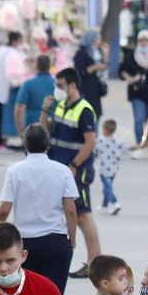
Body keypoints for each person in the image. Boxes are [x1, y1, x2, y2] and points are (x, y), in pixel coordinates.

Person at [0, 124, 79, 295]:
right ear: (48, 144)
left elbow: (4, 209)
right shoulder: (63, 171)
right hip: (56, 240)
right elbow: (70, 210)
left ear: (25, 145)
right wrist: (72, 241)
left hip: (24, 242)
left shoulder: (15, 171)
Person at [41, 67, 103, 276]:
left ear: (72, 85)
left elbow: (90, 142)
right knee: (71, 213)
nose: (57, 89)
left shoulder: (84, 109)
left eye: (60, 85)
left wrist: (74, 165)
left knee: (83, 214)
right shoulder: (60, 106)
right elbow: (47, 131)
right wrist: (44, 111)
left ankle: (94, 263)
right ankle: (93, 262)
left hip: (77, 170)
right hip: (59, 168)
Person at [120, 33, 148, 146]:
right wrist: (130, 78)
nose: (144, 43)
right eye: (141, 40)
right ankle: (140, 144)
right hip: (136, 92)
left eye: (146, 40)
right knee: (139, 118)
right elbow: (121, 70)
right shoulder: (132, 55)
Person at [14, 55, 57, 142]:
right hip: (52, 128)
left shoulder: (28, 84)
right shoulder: (57, 84)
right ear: (49, 66)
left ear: (36, 66)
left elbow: (19, 110)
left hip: (32, 129)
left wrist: (20, 131)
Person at [73, 29, 107, 119]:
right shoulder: (82, 53)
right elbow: (80, 71)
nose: (99, 42)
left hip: (96, 87)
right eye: (98, 39)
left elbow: (104, 66)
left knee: (96, 113)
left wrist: (105, 53)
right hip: (86, 87)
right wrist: (95, 67)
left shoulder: (97, 52)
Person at [95, 119, 125, 214]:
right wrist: (141, 146)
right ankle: (104, 206)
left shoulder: (99, 141)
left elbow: (93, 151)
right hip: (114, 169)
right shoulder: (118, 142)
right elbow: (128, 148)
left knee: (107, 188)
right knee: (107, 187)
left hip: (103, 169)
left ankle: (115, 203)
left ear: (104, 129)